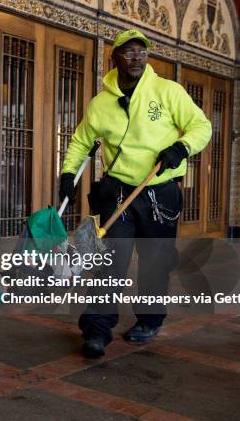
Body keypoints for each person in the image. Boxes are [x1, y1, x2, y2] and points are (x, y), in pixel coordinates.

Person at [59, 29, 212, 358]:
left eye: (141, 52)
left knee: (154, 261)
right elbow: (81, 142)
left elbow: (202, 126)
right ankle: (97, 329)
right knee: (110, 260)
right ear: (113, 58)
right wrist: (68, 173)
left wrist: (181, 148)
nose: (136, 58)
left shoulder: (167, 91)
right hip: (119, 190)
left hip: (160, 190)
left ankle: (151, 319)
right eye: (128, 52)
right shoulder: (101, 103)